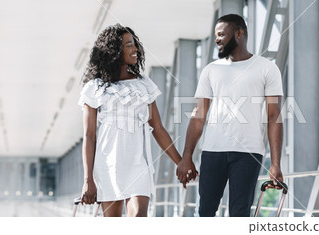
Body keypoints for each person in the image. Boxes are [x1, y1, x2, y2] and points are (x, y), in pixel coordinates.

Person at [177, 14, 284, 217]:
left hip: (249, 153)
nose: (217, 39)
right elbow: (199, 115)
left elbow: (274, 116)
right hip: (212, 151)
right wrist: (187, 156)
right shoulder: (211, 70)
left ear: (239, 33)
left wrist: (276, 163)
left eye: (221, 35)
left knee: (239, 214)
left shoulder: (267, 68)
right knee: (205, 211)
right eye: (216, 35)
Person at [79, 24, 189, 217]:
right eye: (129, 45)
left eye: (134, 44)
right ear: (114, 50)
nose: (135, 49)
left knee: (139, 216)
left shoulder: (143, 83)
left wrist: (180, 162)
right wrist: (88, 180)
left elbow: (158, 128)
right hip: (108, 164)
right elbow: (89, 136)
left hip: (139, 164)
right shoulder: (95, 87)